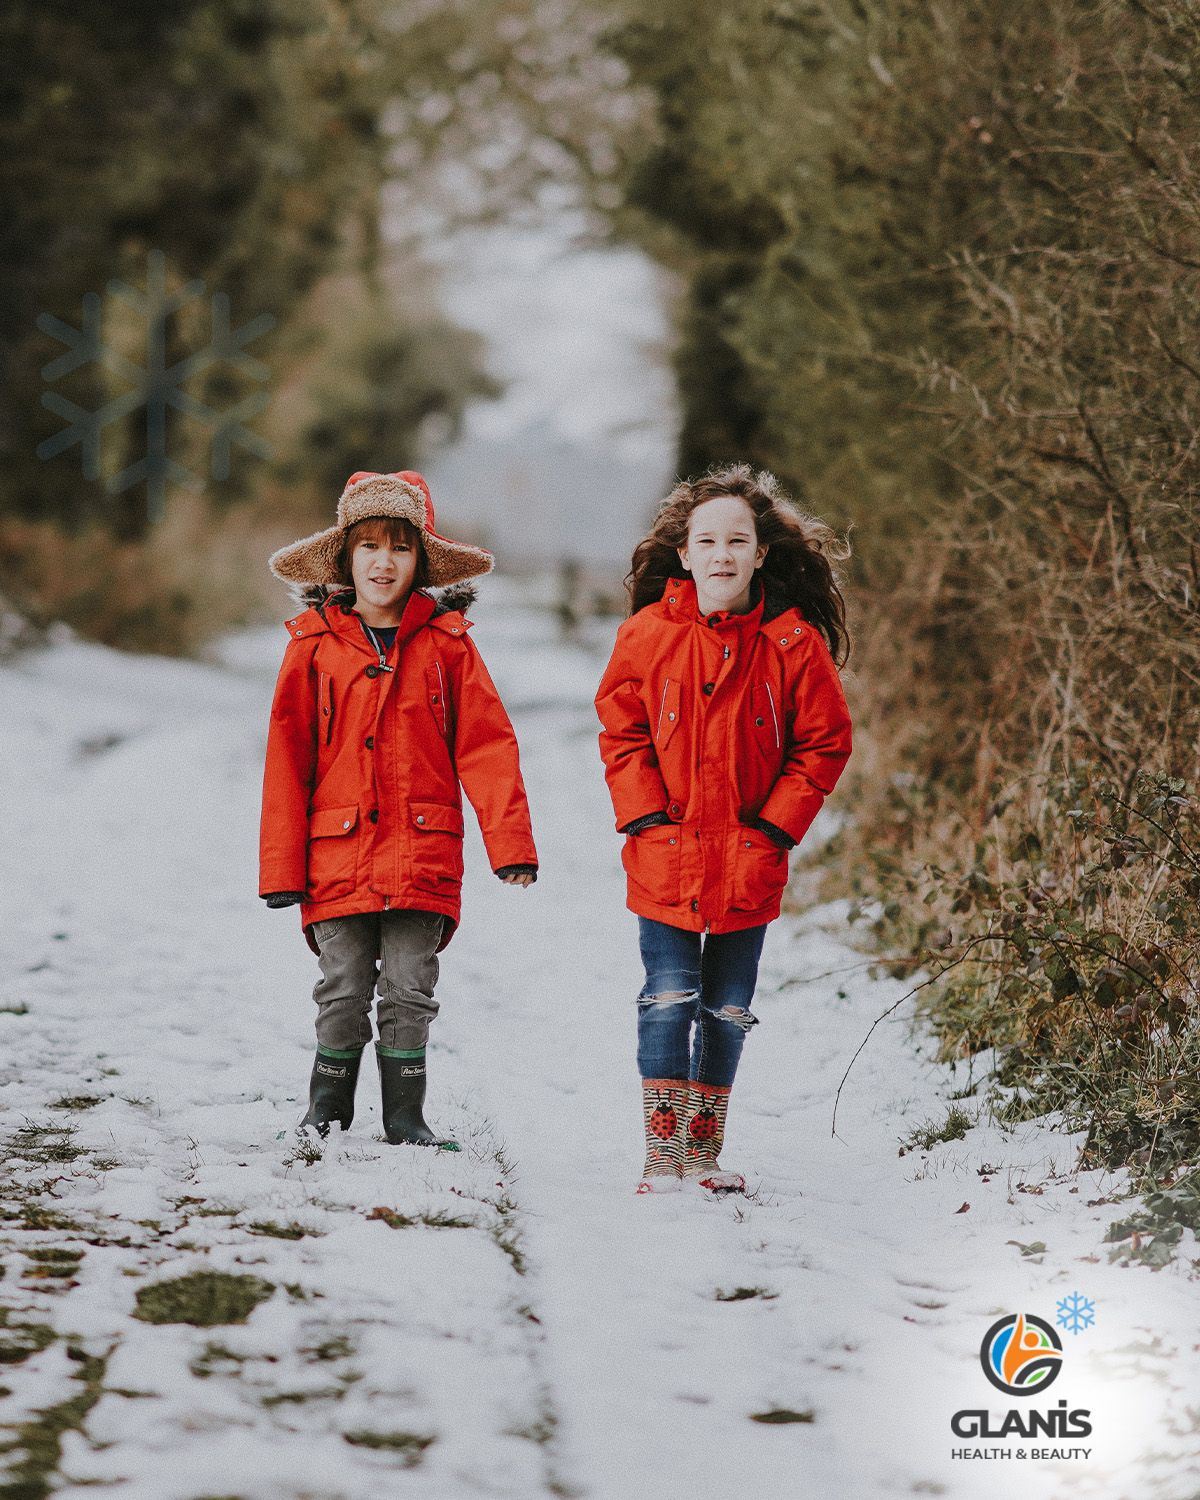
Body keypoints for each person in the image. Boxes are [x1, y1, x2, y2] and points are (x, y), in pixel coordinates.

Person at [595, 463, 852, 1194]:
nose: (722, 555)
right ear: (684, 552)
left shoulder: (792, 644)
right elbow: (622, 730)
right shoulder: (646, 637)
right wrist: (645, 815)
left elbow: (826, 743)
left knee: (728, 1011)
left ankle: (703, 1156)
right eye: (707, 540)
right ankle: (662, 1155)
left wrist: (773, 829)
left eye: (737, 540)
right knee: (668, 997)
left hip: (748, 859)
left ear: (761, 552)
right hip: (664, 855)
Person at [260, 470, 537, 1147]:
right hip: (337, 852)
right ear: (345, 559)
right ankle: (326, 1105)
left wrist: (512, 847)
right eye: (370, 547)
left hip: (424, 851)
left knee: (412, 986)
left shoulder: (449, 647)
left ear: (422, 562)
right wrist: (280, 869)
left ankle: (406, 1115)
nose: (384, 563)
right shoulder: (311, 649)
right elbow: (286, 761)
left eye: (401, 549)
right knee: (343, 986)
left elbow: (488, 748)